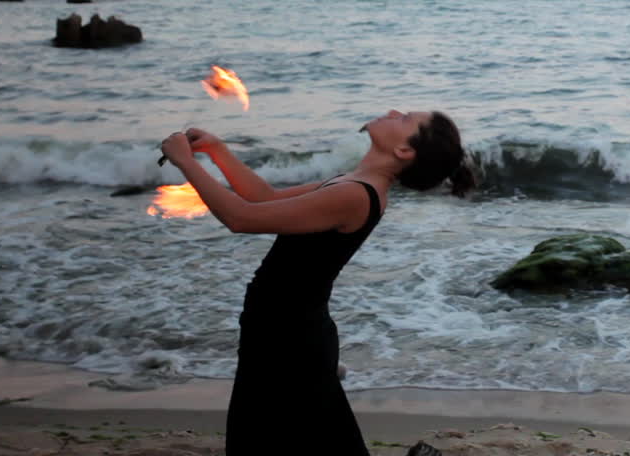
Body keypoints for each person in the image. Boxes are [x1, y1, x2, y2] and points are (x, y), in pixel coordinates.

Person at [159, 110, 474, 455]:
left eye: (406, 119)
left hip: (289, 336)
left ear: (404, 151)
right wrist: (217, 150)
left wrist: (186, 164)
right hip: (287, 328)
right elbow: (264, 198)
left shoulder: (356, 194)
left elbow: (241, 218)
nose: (395, 113)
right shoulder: (352, 183)